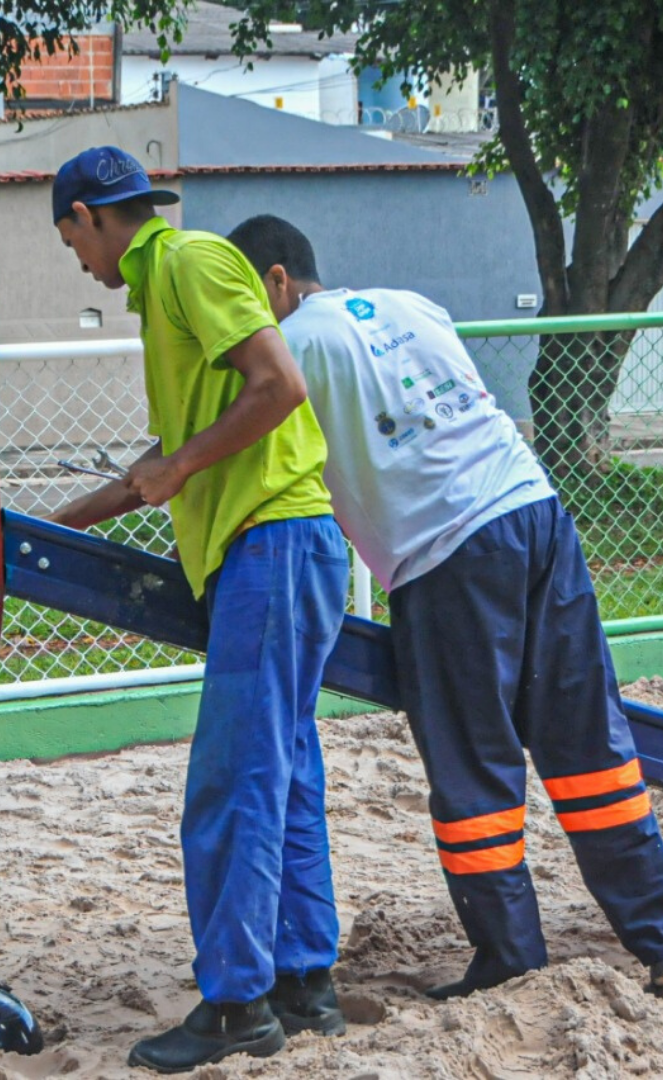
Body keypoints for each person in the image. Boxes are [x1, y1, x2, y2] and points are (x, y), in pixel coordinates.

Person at [227, 213, 663, 1001]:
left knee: (472, 759)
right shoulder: (410, 304)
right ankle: (658, 932)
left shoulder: (292, 348)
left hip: (444, 548)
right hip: (533, 508)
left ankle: (510, 953)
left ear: (276, 283)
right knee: (586, 734)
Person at [49, 147, 350, 1073]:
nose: (79, 264)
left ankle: (235, 1003)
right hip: (280, 548)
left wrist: (177, 469)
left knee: (233, 781)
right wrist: (46, 525)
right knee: (285, 770)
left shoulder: (190, 262)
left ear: (92, 216)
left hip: (273, 541)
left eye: (72, 242)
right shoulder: (170, 290)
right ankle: (302, 980)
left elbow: (280, 386)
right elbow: (167, 458)